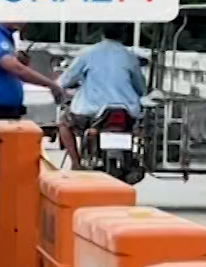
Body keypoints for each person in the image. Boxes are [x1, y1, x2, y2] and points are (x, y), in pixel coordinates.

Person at [0, 21, 66, 237]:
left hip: (7, 112)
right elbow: (13, 68)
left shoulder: (5, 37)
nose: (25, 19)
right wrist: (51, 84)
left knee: (12, 169)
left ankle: (9, 219)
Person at [57, 23, 148, 171]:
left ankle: (75, 162)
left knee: (64, 122)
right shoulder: (129, 56)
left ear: (102, 34)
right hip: (126, 110)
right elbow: (140, 87)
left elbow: (66, 80)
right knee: (136, 128)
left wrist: (60, 86)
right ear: (123, 35)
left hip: (91, 111)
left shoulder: (87, 53)